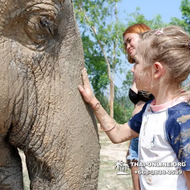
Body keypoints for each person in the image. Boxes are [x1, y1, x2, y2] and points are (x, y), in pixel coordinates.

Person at [78, 25, 190, 189]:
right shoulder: (149, 111)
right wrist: (92, 100)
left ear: (156, 70)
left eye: (137, 62)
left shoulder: (181, 119)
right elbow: (117, 134)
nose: (131, 69)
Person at [123, 23, 154, 190]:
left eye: (130, 41)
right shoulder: (135, 69)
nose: (127, 46)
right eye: (125, 44)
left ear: (143, 36)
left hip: (152, 134)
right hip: (135, 134)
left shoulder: (156, 65)